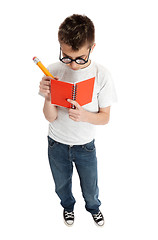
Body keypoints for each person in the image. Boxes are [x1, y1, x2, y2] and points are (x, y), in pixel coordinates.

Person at [39, 14, 117, 227]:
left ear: (92, 47)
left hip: (85, 146)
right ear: (60, 46)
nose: (73, 65)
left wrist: (85, 116)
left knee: (90, 186)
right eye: (66, 57)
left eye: (80, 58)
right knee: (61, 184)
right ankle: (68, 207)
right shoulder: (54, 71)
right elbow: (50, 117)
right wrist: (48, 98)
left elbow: (105, 117)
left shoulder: (102, 75)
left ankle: (93, 208)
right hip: (57, 144)